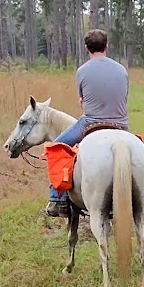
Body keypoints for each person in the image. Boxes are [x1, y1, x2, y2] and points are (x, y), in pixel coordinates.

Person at [46, 30, 129, 217]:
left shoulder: (82, 71)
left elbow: (82, 101)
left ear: (86, 48)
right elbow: (123, 97)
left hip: (90, 122)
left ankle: (56, 199)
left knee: (56, 146)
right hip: (121, 125)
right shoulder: (122, 70)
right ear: (106, 47)